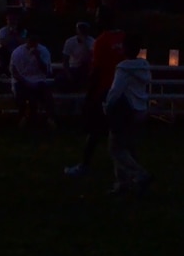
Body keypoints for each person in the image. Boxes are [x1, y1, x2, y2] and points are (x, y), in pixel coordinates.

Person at [64, 14, 125, 175]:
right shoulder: (122, 38)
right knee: (119, 133)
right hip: (121, 89)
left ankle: (86, 165)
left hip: (104, 91)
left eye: (99, 16)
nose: (97, 19)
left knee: (95, 131)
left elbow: (96, 70)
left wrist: (91, 95)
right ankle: (125, 167)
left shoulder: (101, 41)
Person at [102, 32, 152, 194]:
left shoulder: (123, 68)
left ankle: (138, 174)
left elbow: (116, 91)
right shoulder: (144, 67)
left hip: (125, 111)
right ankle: (123, 182)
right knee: (129, 146)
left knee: (116, 147)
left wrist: (108, 105)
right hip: (140, 109)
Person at [8, 28, 57, 126]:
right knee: (22, 94)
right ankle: (23, 117)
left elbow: (46, 71)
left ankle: (50, 118)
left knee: (47, 95)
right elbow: (14, 71)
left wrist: (38, 58)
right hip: (22, 80)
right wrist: (25, 82)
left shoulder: (43, 51)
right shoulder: (17, 52)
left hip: (38, 80)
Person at [60, 21, 94, 87]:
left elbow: (92, 56)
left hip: (86, 68)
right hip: (73, 67)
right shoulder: (70, 41)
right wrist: (68, 73)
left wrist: (85, 43)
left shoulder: (92, 41)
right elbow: (65, 59)